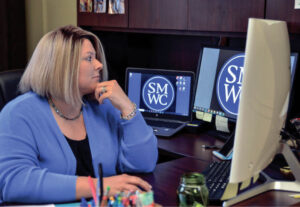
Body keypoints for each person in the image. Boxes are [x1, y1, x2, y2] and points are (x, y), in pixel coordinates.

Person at [0, 25, 158, 204]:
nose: (99, 65)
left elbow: (144, 164)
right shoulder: (17, 114)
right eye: (89, 58)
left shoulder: (103, 107)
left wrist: (128, 108)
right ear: (62, 66)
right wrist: (99, 186)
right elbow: (13, 182)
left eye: (96, 58)